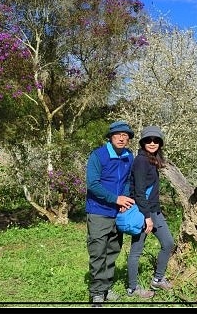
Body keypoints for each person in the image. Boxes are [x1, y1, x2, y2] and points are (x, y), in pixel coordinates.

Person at [85, 120, 136, 306]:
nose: (122, 138)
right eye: (118, 134)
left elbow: (128, 181)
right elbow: (93, 184)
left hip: (118, 213)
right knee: (98, 251)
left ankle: (106, 288)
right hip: (99, 211)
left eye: (126, 135)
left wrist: (125, 198)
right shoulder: (98, 155)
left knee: (113, 250)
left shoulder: (129, 156)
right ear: (111, 136)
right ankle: (97, 293)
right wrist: (116, 199)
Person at [126, 125, 175, 299]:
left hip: (155, 211)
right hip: (143, 212)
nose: (152, 143)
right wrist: (147, 217)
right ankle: (132, 288)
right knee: (136, 251)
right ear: (143, 142)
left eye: (156, 140)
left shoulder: (152, 159)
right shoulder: (140, 161)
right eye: (148, 140)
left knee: (168, 243)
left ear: (160, 143)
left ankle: (157, 279)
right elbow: (139, 192)